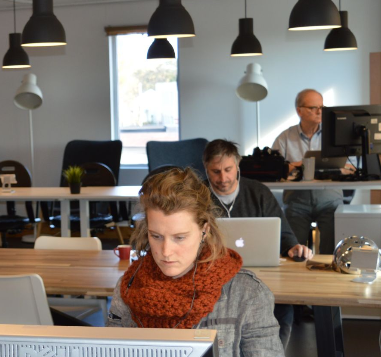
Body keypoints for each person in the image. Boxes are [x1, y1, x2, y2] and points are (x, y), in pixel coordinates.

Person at [107, 167, 283, 356]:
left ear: (204, 231)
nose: (166, 251)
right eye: (156, 236)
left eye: (180, 237)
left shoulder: (247, 294)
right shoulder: (128, 287)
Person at [203, 139, 311, 348]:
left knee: (281, 306)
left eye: (228, 169)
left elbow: (284, 234)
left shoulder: (258, 192)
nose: (223, 178)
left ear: (237, 165)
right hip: (212, 274)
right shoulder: (197, 197)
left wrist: (293, 246)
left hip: (259, 274)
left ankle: (273, 351)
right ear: (206, 169)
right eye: (215, 172)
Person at [272, 89, 343, 255]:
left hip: (329, 199)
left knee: (332, 250)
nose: (320, 111)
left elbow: (353, 167)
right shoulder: (285, 138)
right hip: (297, 200)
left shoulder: (335, 135)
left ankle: (328, 277)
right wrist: (297, 166)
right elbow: (273, 168)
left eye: (322, 107)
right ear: (299, 111)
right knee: (293, 249)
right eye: (313, 107)